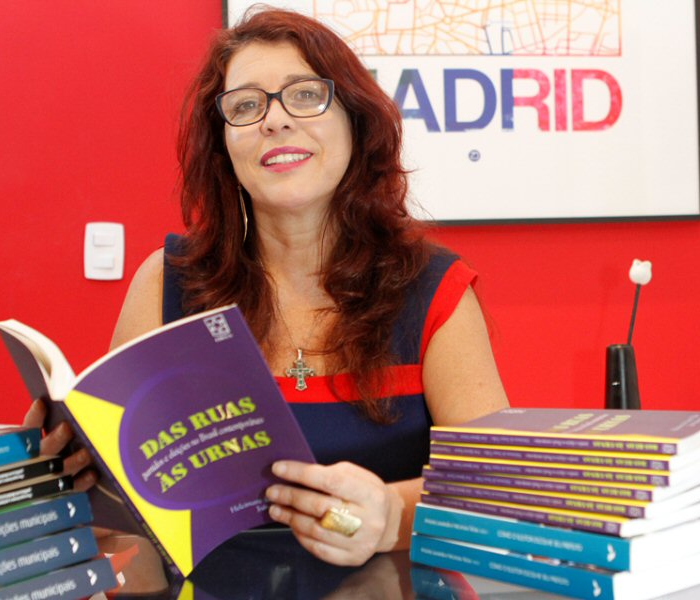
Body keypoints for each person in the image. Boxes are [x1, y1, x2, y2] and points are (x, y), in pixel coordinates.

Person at [27, 5, 508, 568]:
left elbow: (495, 490)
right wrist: (71, 479)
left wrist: (389, 518)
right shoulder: (166, 282)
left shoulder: (433, 288)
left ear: (355, 123)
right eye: (246, 106)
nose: (274, 121)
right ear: (224, 147)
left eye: (304, 95)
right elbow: (123, 519)